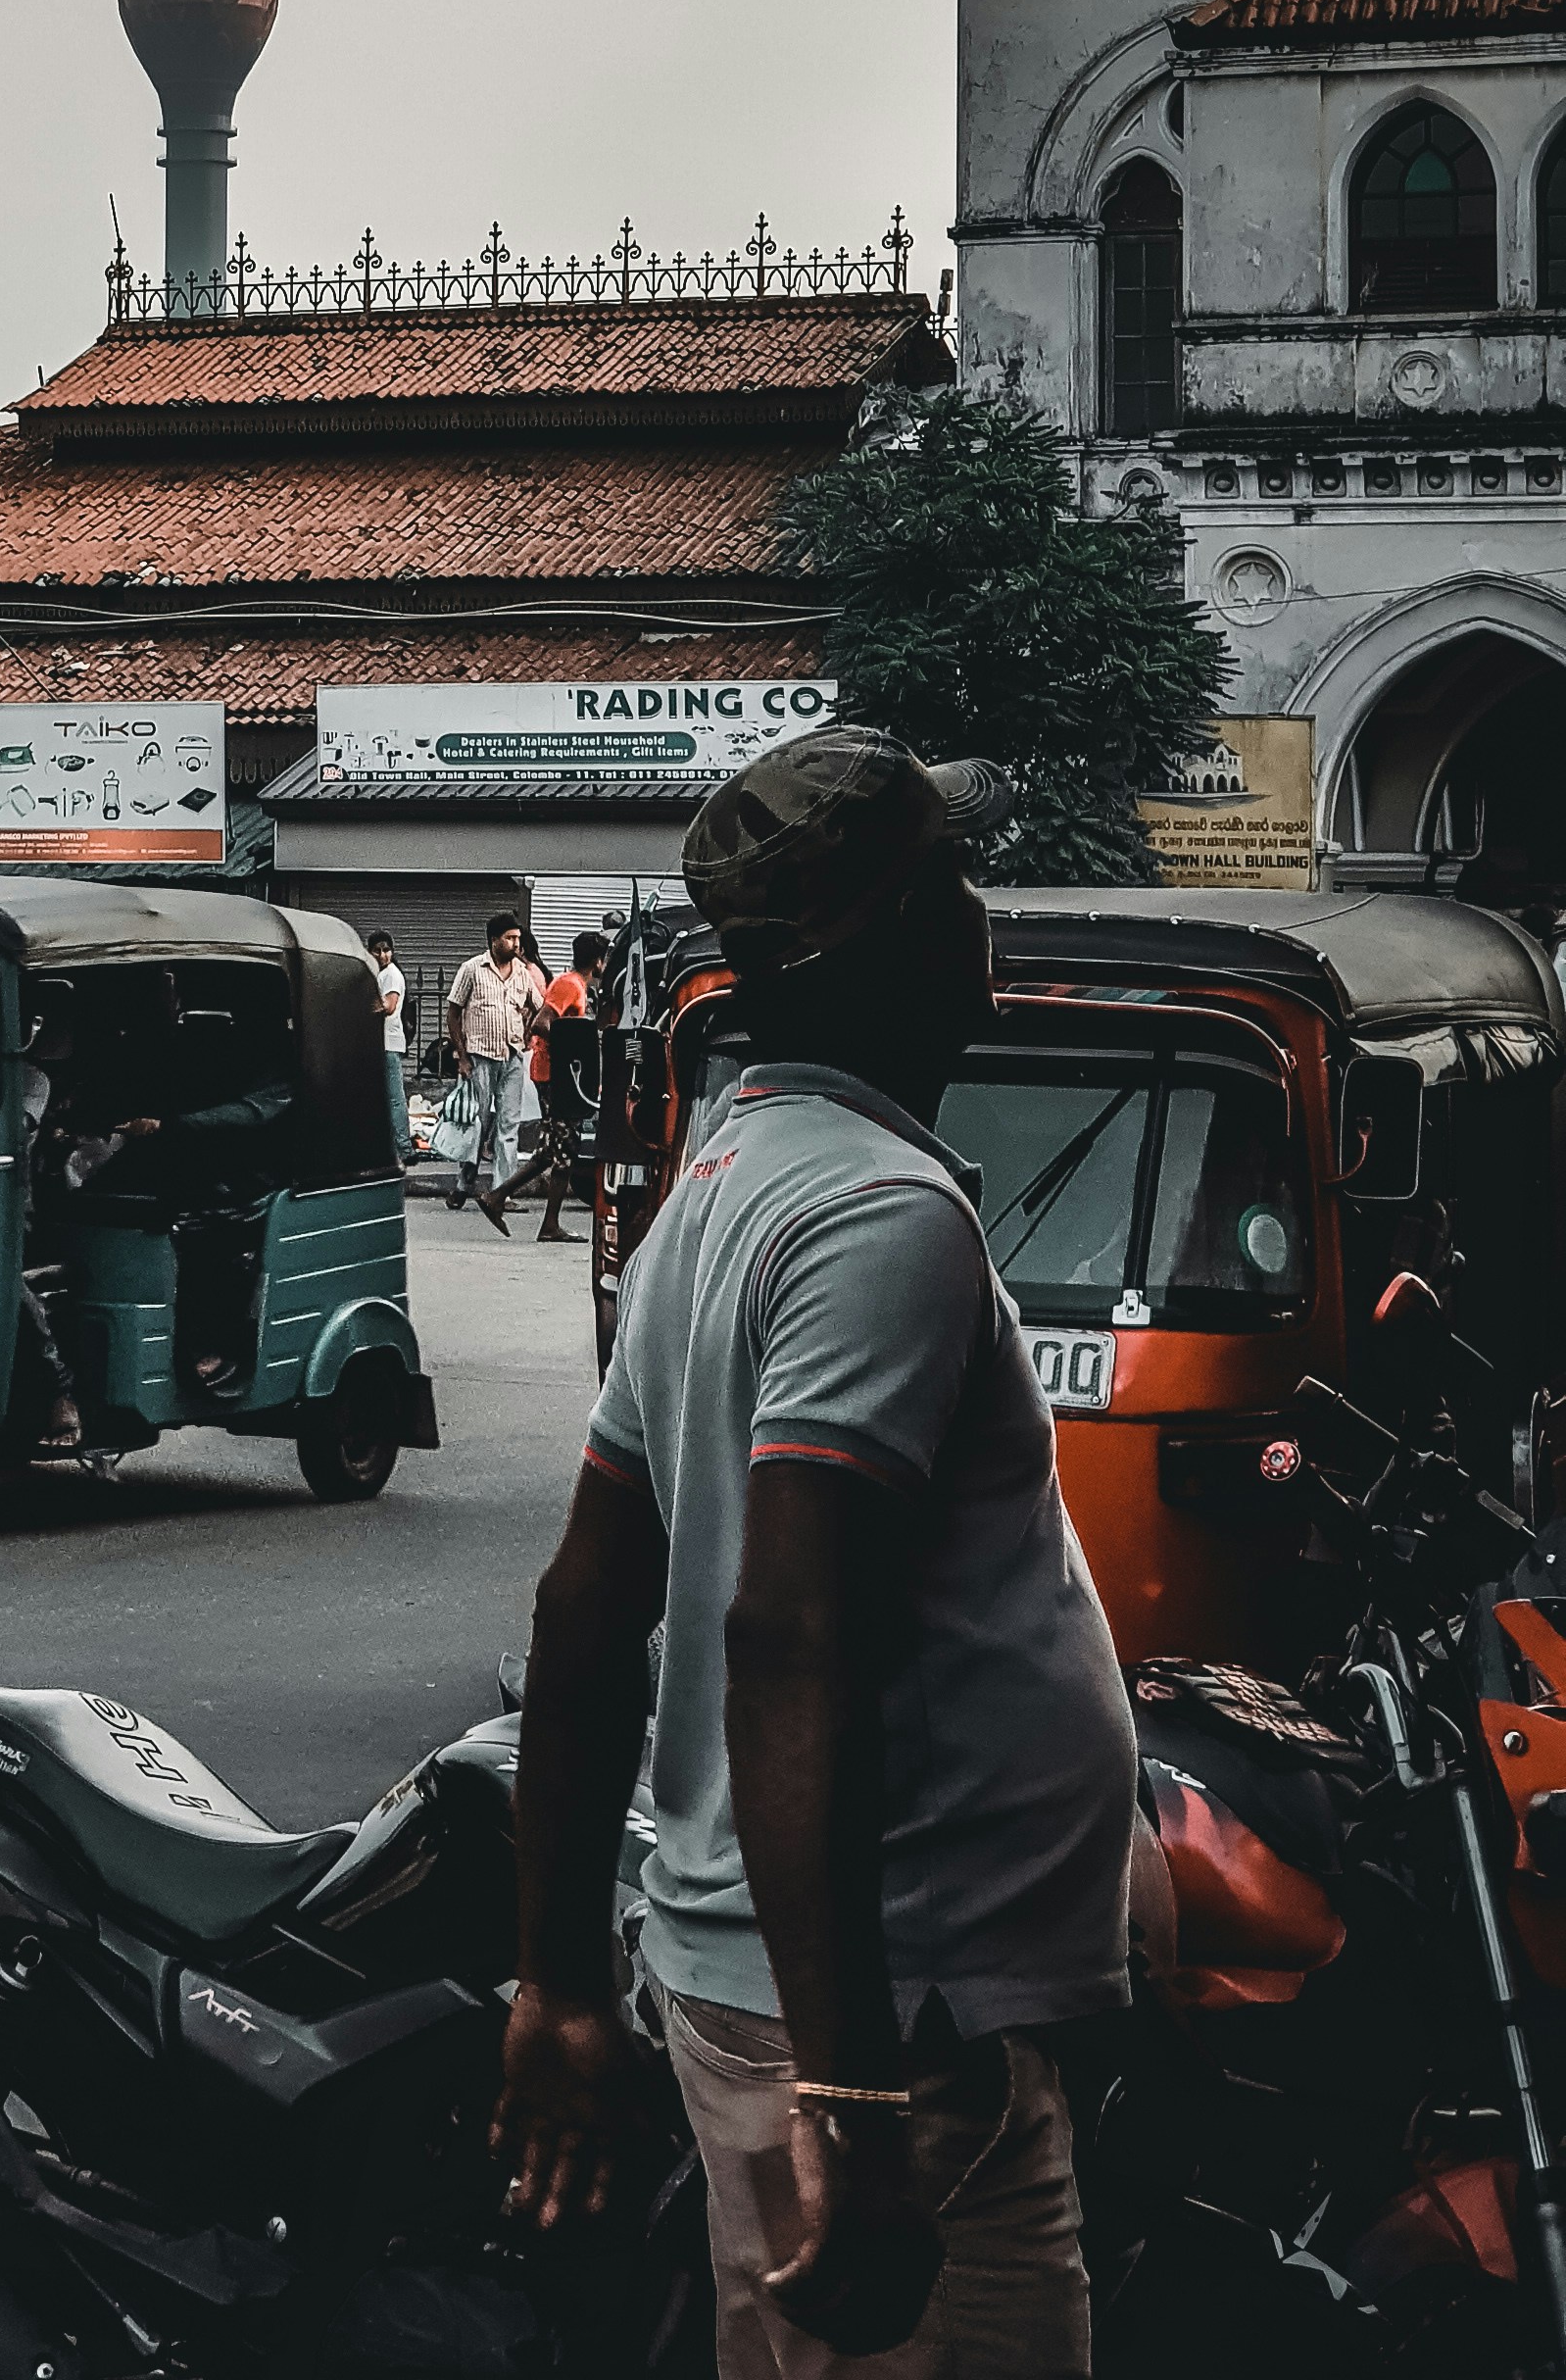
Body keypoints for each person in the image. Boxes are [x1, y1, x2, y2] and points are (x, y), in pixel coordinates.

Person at [493, 728, 1135, 2380]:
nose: (983, 913)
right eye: (956, 881)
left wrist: (559, 1972)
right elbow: (784, 1639)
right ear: (907, 930)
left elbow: (584, 1608)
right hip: (885, 2023)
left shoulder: (722, 1185)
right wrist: (849, 2094)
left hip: (770, 1988)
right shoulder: (871, 1215)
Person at [486, 928, 606, 1241]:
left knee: (552, 1150)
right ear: (598, 961)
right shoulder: (569, 985)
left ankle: (504, 1200)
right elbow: (541, 1023)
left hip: (561, 1076)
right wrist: (570, 1051)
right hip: (556, 1077)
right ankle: (538, 1219)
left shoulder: (578, 985)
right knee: (563, 1151)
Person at [441, 912, 547, 1208]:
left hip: (511, 1057)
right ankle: (464, 1183)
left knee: (508, 1126)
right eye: (510, 938)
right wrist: (461, 1057)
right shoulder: (472, 969)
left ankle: (502, 1193)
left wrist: (527, 1032)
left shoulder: (522, 972)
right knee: (479, 1124)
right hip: (479, 1058)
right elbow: (453, 1013)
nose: (516, 943)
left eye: (517, 938)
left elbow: (539, 1008)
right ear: (494, 940)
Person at [368, 932, 412, 1165]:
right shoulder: (380, 975)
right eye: (378, 951)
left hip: (389, 1042)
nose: (383, 955)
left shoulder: (392, 975)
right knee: (385, 1097)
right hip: (381, 1042)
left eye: (386, 950)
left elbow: (389, 1006)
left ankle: (404, 1147)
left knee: (394, 1097)